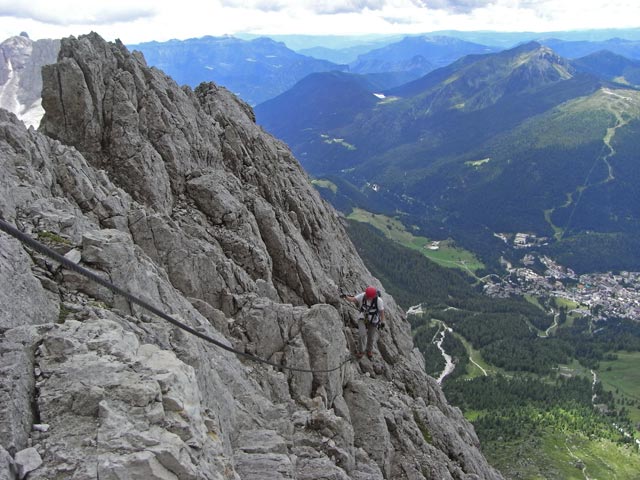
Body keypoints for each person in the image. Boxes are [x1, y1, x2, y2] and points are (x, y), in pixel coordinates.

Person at [343, 286, 385, 359]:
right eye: (367, 296)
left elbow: (381, 312)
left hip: (373, 320)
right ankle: (361, 351)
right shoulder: (363, 296)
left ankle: (369, 350)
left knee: (371, 337)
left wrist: (382, 322)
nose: (368, 297)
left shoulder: (379, 301)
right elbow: (353, 299)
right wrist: (345, 297)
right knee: (362, 334)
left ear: (374, 296)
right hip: (363, 317)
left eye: (369, 296)